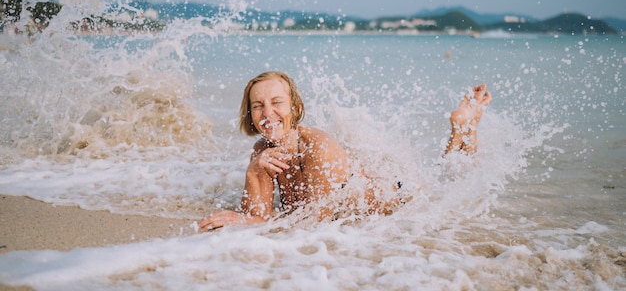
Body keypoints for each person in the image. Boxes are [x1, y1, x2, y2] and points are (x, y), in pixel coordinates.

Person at [198, 71, 491, 231]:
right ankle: (464, 128)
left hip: (401, 199)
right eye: (258, 106)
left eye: (277, 103)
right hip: (369, 201)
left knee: (454, 186)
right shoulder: (262, 149)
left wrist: (251, 221)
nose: (268, 113)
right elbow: (254, 215)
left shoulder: (317, 147)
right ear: (250, 115)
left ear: (296, 109)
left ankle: (466, 127)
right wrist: (254, 170)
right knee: (450, 179)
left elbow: (313, 221)